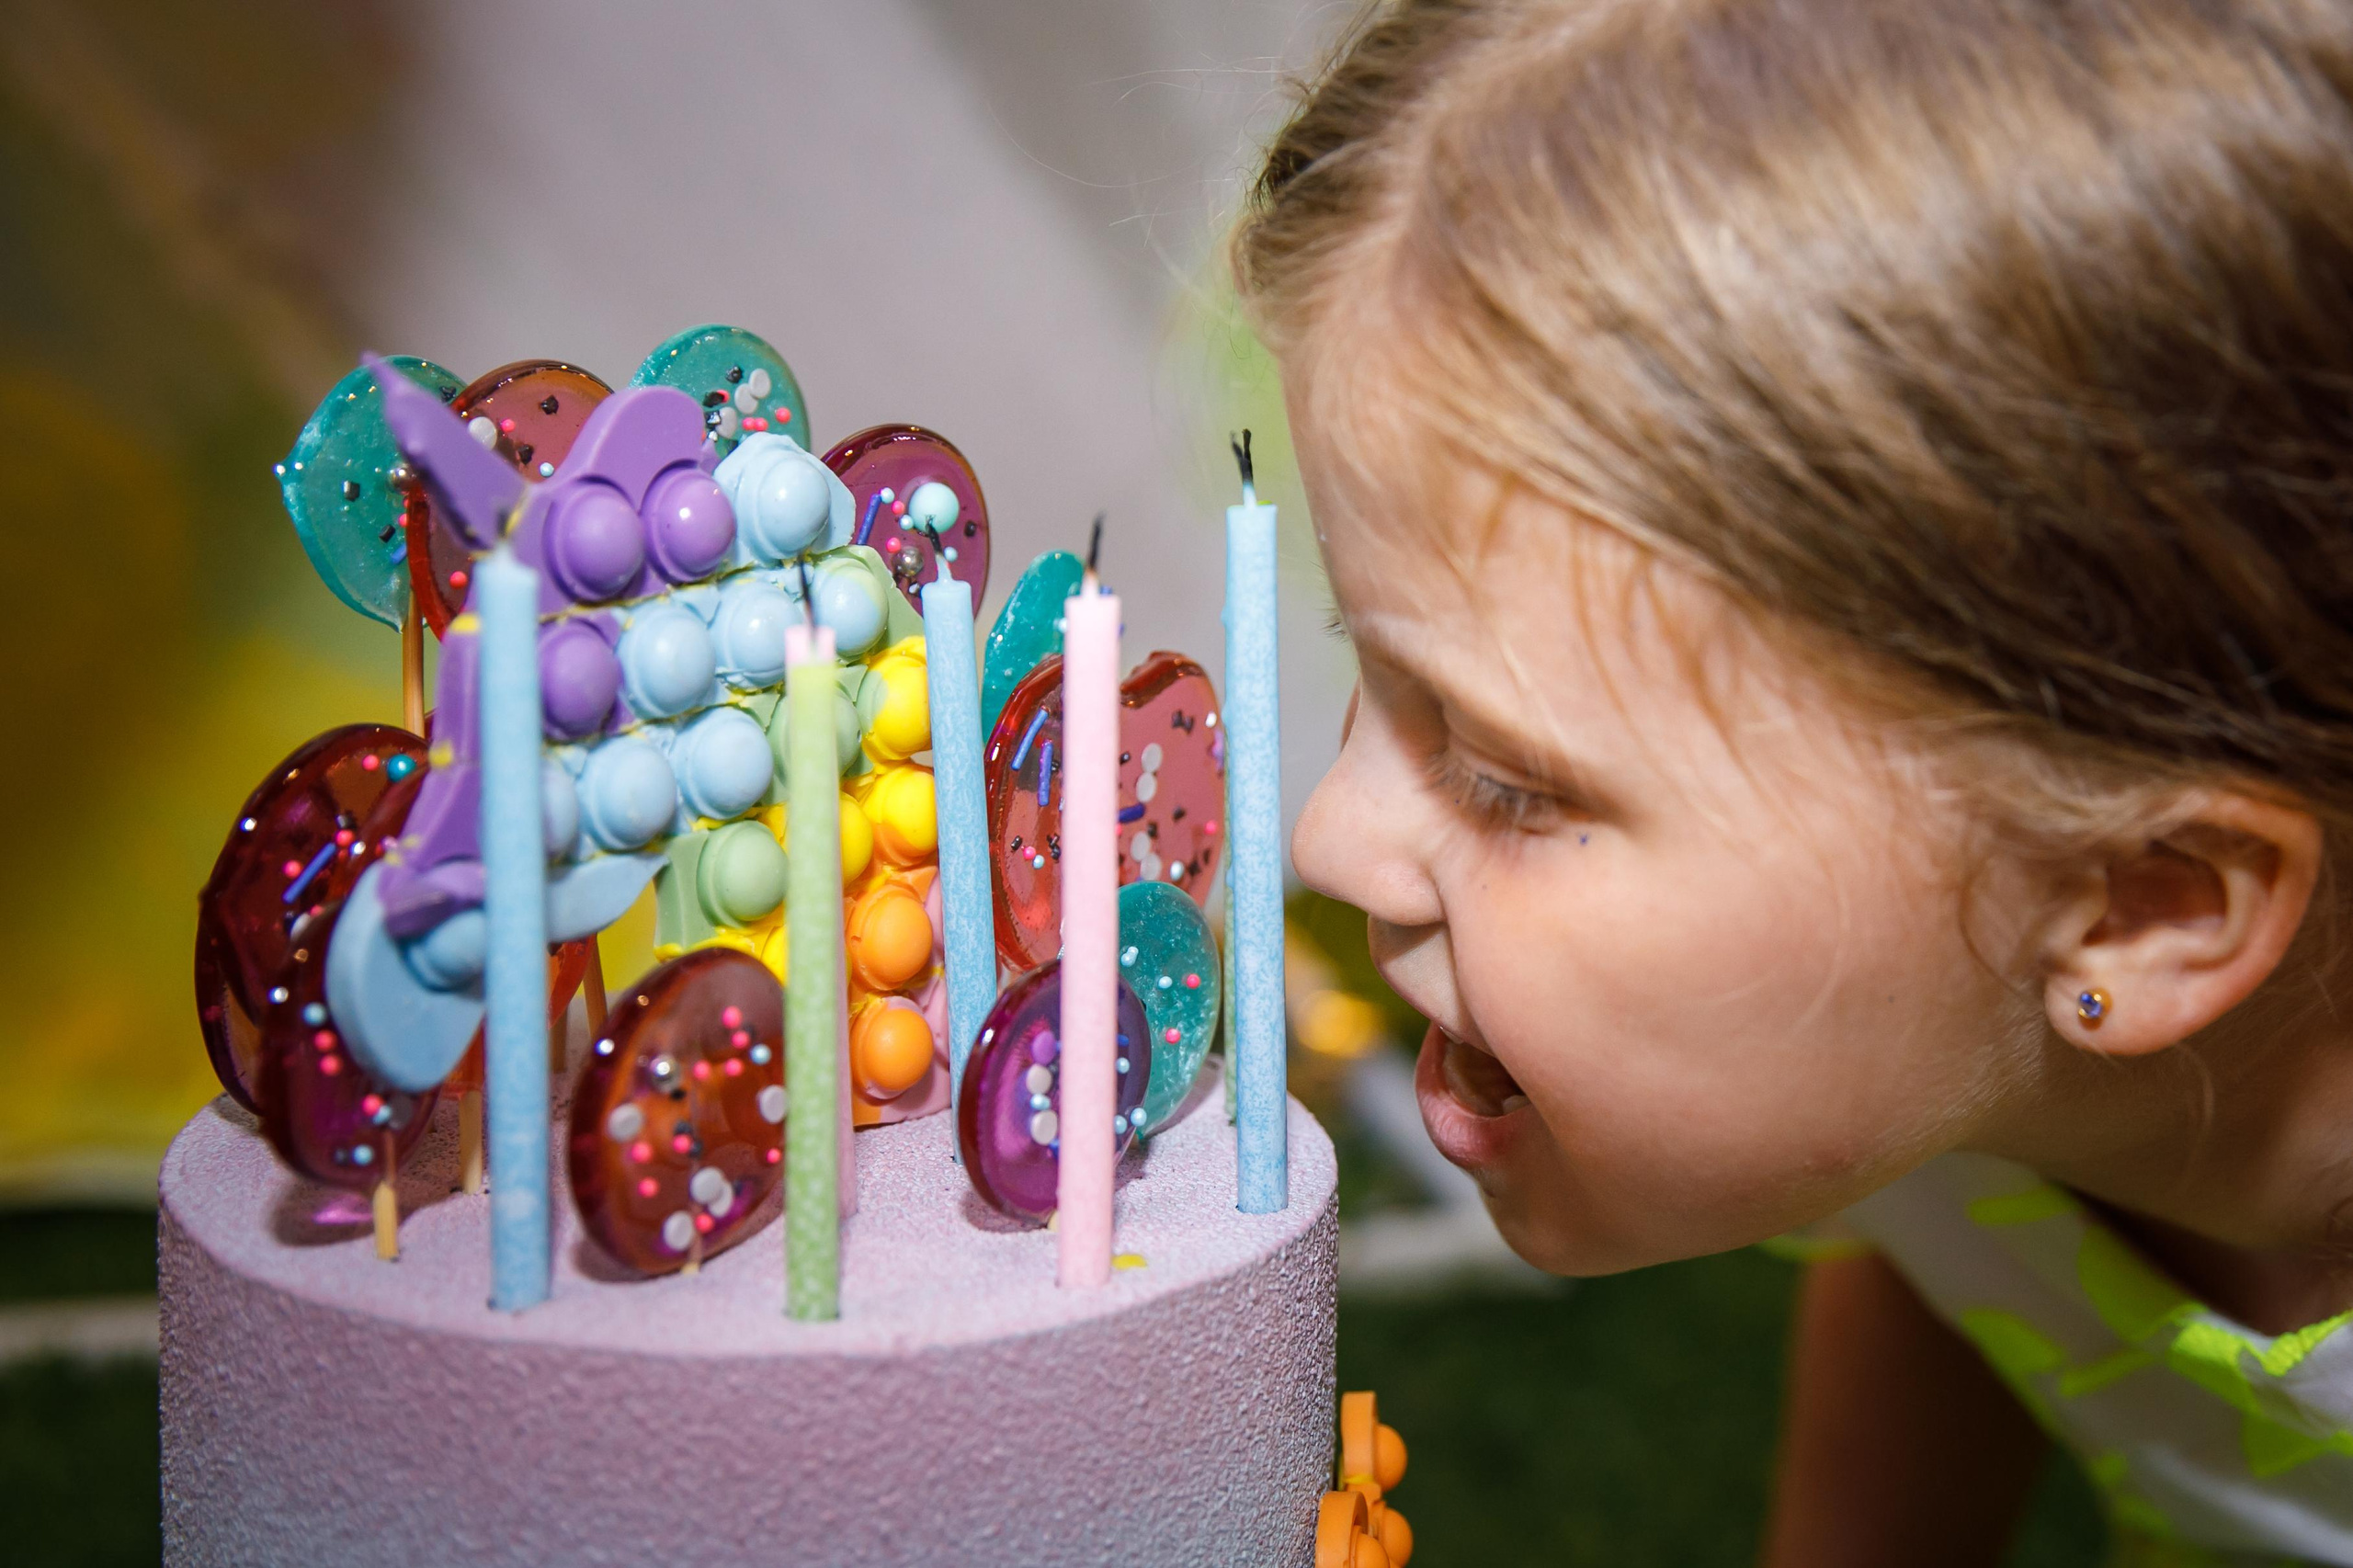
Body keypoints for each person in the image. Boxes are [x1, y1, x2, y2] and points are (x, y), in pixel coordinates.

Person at [1233, 0, 2353, 1561]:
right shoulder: (1934, 1053)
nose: (1329, 838)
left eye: (1501, 775)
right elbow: (1967, 1255)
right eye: (1372, 660)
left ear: (2144, 906)